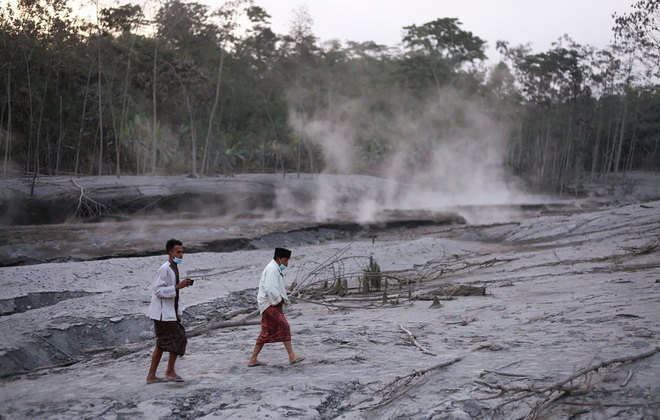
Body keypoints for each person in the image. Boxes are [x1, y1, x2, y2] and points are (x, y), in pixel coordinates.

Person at [248, 247, 305, 367]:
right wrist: (279, 300)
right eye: (285, 260)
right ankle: (291, 356)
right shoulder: (272, 269)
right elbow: (270, 288)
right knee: (284, 326)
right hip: (270, 304)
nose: (286, 264)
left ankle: (253, 359)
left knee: (266, 332)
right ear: (278, 259)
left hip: (268, 303)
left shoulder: (274, 268)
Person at [146, 238, 193, 384]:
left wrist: (180, 287)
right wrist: (178, 287)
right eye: (178, 252)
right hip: (161, 314)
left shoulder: (174, 268)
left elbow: (173, 291)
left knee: (161, 343)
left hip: (168, 312)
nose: (181, 255)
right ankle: (169, 371)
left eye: (182, 252)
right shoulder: (165, 268)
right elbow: (158, 290)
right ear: (170, 253)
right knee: (179, 337)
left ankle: (151, 376)